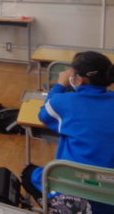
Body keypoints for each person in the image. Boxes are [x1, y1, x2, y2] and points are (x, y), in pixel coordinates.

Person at [21, 51, 114, 214]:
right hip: (110, 193)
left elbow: (44, 115)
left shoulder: (63, 102)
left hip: (72, 188)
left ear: (80, 79)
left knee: (27, 173)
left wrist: (59, 85)